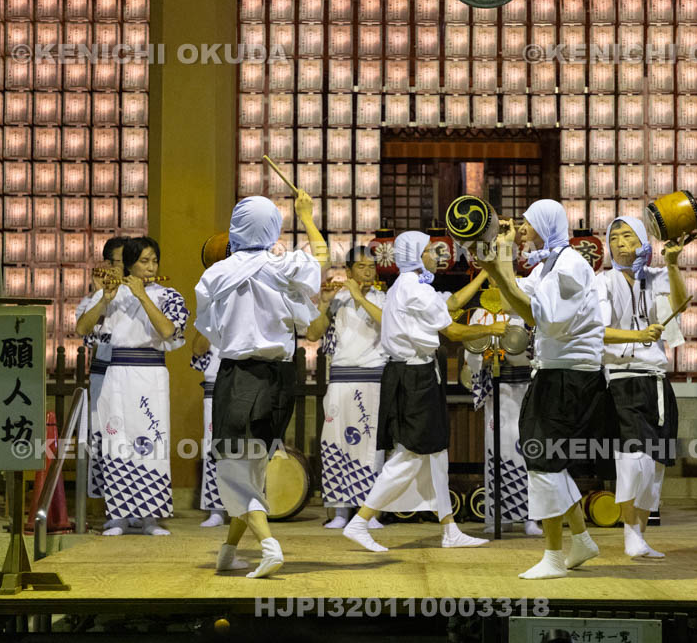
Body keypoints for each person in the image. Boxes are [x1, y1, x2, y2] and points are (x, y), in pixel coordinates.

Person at [478, 199, 614, 579]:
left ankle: (554, 555)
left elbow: (544, 320)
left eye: (527, 223)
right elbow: (512, 299)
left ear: (545, 224)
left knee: (542, 460)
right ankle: (581, 540)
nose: (522, 229)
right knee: (546, 459)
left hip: (568, 375)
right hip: (557, 372)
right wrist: (499, 259)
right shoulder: (548, 264)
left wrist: (498, 267)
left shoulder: (569, 266)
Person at [194, 191, 327, 579]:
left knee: (234, 470)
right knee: (251, 469)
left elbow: (210, 331)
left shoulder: (215, 274)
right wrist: (307, 215)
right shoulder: (286, 266)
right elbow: (322, 259)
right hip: (282, 378)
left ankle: (269, 548)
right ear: (273, 227)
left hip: (240, 376)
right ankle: (228, 552)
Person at [341, 232, 501, 553]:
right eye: (430, 251)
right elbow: (452, 330)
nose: (436, 256)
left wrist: (487, 271)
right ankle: (360, 520)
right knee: (411, 455)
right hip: (415, 376)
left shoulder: (409, 287)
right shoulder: (415, 290)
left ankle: (450, 529)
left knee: (436, 455)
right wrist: (492, 328)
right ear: (416, 255)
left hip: (413, 373)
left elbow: (451, 303)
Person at [80, 236, 188, 536]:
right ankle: (118, 515)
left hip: (151, 373)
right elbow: (82, 329)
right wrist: (104, 298)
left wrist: (143, 295)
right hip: (117, 374)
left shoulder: (168, 295)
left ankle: (150, 516)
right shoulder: (112, 294)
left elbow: (168, 331)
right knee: (117, 441)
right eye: (144, 261)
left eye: (154, 260)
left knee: (151, 441)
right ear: (129, 265)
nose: (151, 266)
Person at [596, 216, 687, 559]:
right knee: (632, 459)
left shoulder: (657, 277)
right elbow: (599, 330)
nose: (620, 241)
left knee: (657, 463)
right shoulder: (602, 281)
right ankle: (629, 532)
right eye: (614, 237)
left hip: (658, 380)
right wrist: (637, 335)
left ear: (643, 241)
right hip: (623, 379)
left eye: (627, 235)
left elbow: (680, 304)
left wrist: (673, 264)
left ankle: (641, 534)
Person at [305, 246, 388, 530]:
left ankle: (369, 513)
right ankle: (340, 512)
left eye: (371, 267)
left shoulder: (382, 299)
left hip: (372, 379)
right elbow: (312, 334)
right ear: (349, 271)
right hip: (340, 379)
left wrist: (358, 298)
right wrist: (325, 304)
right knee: (336, 444)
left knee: (370, 447)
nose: (368, 272)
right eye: (361, 267)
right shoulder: (336, 299)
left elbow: (387, 325)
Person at [464, 296, 541, 536]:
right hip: (497, 391)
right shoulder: (481, 314)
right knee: (495, 452)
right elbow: (471, 352)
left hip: (524, 387)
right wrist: (485, 357)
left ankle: (531, 517)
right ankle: (497, 515)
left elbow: (536, 348)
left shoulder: (525, 311)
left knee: (527, 450)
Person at [75, 236, 129, 531]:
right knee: (107, 441)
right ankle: (114, 509)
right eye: (123, 260)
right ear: (108, 264)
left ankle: (140, 509)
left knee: (136, 439)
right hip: (104, 373)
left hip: (134, 375)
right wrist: (100, 296)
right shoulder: (92, 300)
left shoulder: (143, 295)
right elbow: (88, 336)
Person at [189, 326, 225, 528]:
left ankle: (246, 509)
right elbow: (198, 349)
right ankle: (216, 509)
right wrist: (210, 319)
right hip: (214, 388)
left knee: (244, 450)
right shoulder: (211, 314)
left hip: (242, 385)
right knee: (214, 448)